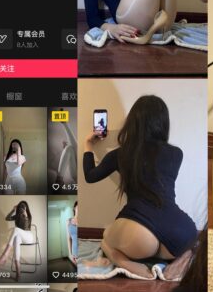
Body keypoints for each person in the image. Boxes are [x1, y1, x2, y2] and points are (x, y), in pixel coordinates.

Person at [83, 95, 196, 280]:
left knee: (105, 237)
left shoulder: (120, 154)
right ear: (163, 123)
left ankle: (122, 261)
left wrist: (88, 144)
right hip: (181, 231)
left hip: (138, 234)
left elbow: (90, 176)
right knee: (191, 244)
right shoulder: (176, 154)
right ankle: (183, 257)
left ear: (133, 123)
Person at [0, 201, 35, 279]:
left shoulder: (28, 216)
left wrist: (25, 216)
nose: (21, 209)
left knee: (16, 229)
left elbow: (26, 227)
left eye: (23, 207)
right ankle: (18, 271)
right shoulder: (17, 216)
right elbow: (7, 218)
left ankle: (4, 256)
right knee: (16, 238)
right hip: (20, 236)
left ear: (26, 208)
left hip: (29, 237)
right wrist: (13, 210)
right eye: (20, 207)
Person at [67, 201, 78, 265]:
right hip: (75, 253)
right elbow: (68, 238)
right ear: (74, 208)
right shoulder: (68, 221)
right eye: (78, 207)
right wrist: (70, 254)